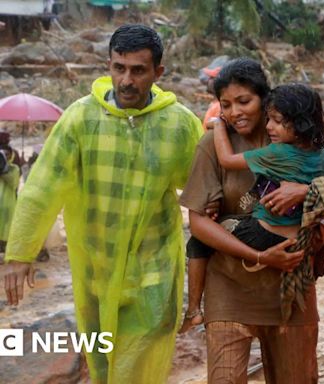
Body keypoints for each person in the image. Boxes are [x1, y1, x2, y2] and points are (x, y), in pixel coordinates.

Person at [3, 24, 203, 384]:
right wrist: (20, 253)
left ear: (159, 72)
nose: (126, 80)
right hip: (94, 270)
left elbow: (207, 190)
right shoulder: (81, 119)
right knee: (101, 364)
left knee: (136, 366)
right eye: (118, 68)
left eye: (138, 71)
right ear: (108, 65)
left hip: (153, 271)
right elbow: (43, 186)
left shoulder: (180, 125)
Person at [179, 58, 323, 383]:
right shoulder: (214, 145)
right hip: (229, 287)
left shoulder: (300, 142)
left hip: (290, 290)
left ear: (265, 99)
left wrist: (303, 192)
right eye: (225, 105)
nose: (235, 112)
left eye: (244, 101)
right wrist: (258, 255)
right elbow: (199, 223)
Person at [180, 83, 324, 333]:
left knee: (203, 236)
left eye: (276, 121)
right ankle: (321, 254)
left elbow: (226, 159)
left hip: (263, 235)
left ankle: (193, 311)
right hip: (302, 238)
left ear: (299, 124)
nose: (269, 127)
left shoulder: (277, 153)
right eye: (269, 119)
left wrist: (219, 125)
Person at [0, 131, 21, 255]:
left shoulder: (13, 165)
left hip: (8, 199)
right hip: (9, 199)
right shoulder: (14, 154)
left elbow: (13, 180)